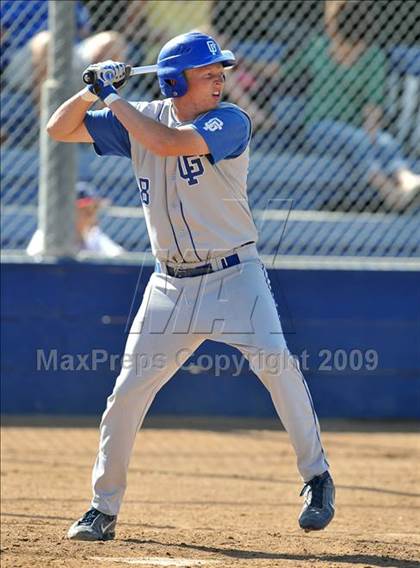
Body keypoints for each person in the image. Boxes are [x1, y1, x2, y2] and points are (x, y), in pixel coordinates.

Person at [46, 31, 335, 541]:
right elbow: (59, 128)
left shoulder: (230, 119)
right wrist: (91, 89)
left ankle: (317, 477)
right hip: (169, 286)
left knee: (277, 368)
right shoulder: (143, 116)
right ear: (176, 80)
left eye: (220, 71)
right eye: (207, 73)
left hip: (235, 277)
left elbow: (169, 143)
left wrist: (113, 96)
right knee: (126, 395)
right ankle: (102, 508)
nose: (220, 79)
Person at [280, 0, 420, 211]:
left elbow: (373, 104)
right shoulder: (318, 47)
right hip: (320, 126)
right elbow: (283, 71)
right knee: (357, 140)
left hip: (357, 127)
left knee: (385, 141)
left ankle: (406, 178)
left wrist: (371, 132)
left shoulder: (373, 56)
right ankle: (389, 192)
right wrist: (247, 63)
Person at [0, 0, 127, 109]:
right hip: (22, 59)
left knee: (112, 41)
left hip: (69, 51)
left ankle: (104, 125)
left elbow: (84, 31)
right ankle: (50, 126)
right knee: (47, 42)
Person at [27, 181, 124, 258]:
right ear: (69, 211)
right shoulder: (48, 234)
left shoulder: (93, 235)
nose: (92, 216)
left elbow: (118, 256)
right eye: (87, 210)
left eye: (95, 209)